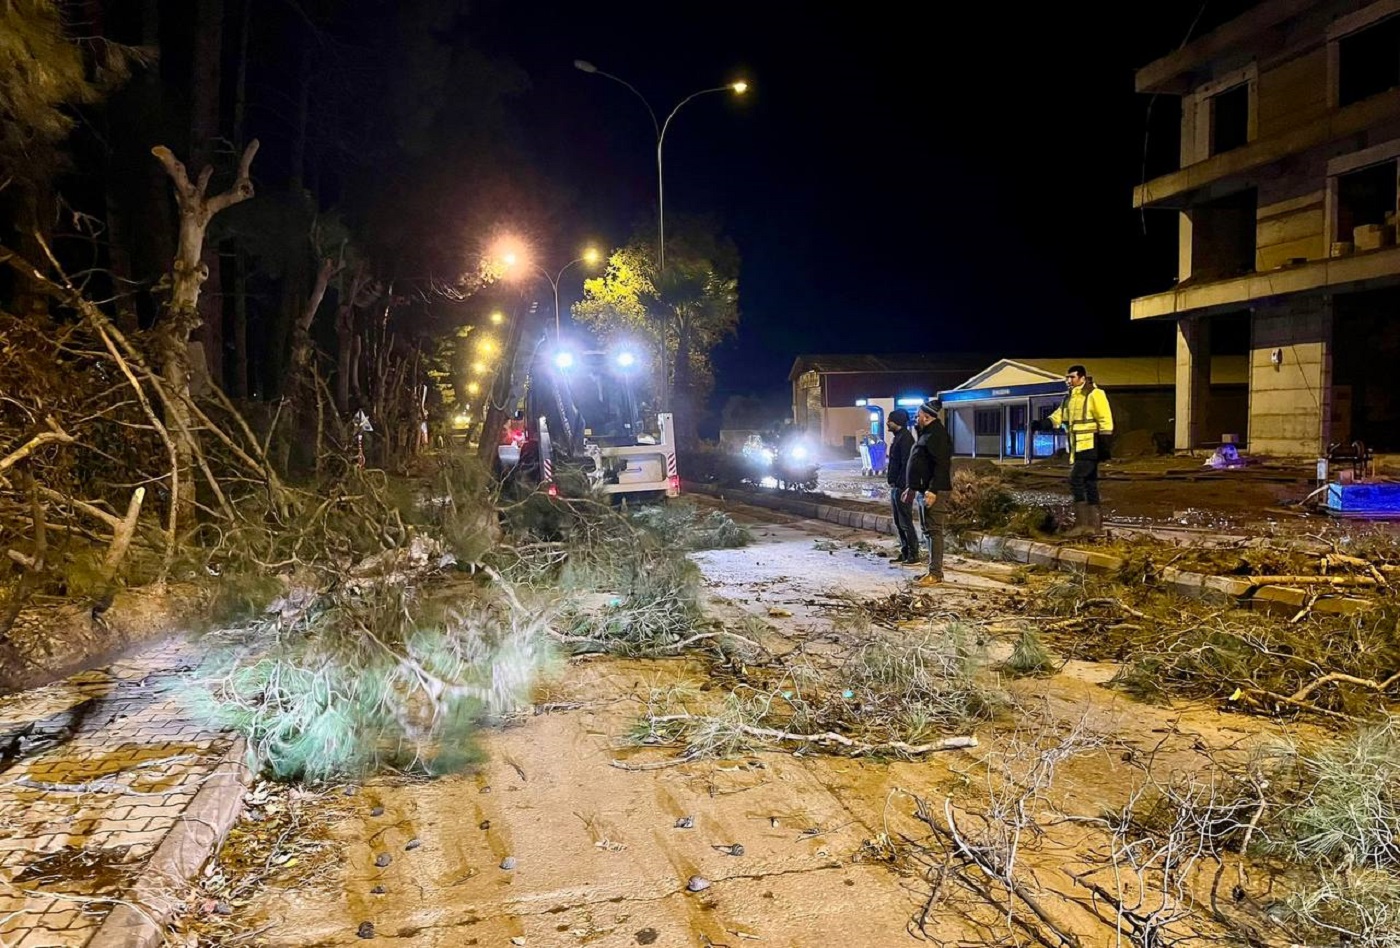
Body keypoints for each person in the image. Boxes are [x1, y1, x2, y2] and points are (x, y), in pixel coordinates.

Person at [1045, 364, 1114, 537]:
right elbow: (1059, 416)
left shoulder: (1094, 394)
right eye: (1067, 377)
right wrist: (1045, 423)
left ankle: (1084, 524)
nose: (1069, 380)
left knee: (1076, 479)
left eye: (1072, 377)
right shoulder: (1069, 398)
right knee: (1089, 483)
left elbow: (1105, 419)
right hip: (1078, 447)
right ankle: (1094, 526)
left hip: (1091, 445)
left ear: (1082, 378)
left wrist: (1105, 444)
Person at [903, 399, 952, 587]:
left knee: (934, 530)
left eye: (918, 415)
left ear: (926, 417)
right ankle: (932, 570)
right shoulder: (927, 434)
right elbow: (920, 463)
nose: (916, 418)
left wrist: (933, 490)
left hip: (934, 491)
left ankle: (935, 573)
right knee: (928, 530)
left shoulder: (936, 435)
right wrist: (912, 486)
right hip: (925, 489)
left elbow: (941, 465)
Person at [885, 408, 919, 567]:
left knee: (905, 521)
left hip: (902, 488)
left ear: (896, 422)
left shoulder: (905, 439)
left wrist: (902, 484)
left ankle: (913, 554)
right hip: (896, 487)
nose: (887, 423)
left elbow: (907, 464)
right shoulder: (899, 437)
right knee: (899, 522)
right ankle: (905, 552)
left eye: (889, 420)